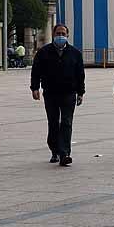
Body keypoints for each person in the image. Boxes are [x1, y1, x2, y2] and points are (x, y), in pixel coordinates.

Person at [30, 24, 85, 167]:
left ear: (67, 35)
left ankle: (65, 153)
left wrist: (81, 92)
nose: (61, 36)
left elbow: (80, 75)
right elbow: (36, 71)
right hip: (50, 93)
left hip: (69, 93)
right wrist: (34, 88)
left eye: (63, 33)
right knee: (53, 123)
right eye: (58, 33)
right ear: (54, 35)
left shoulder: (75, 53)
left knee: (66, 122)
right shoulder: (43, 52)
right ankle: (54, 149)